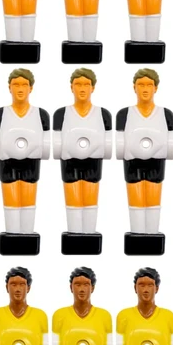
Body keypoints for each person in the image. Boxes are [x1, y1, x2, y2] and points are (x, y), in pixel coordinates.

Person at [0, 69, 51, 254]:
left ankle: (26, 234)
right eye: (16, 84)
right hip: (7, 165)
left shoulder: (41, 115)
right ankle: (12, 233)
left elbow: (46, 143)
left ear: (31, 88)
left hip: (31, 164)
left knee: (27, 199)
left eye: (24, 84)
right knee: (11, 200)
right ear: (9, 87)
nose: (20, 89)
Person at [53, 67, 113, 255]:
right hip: (69, 164)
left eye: (86, 84)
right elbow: (56, 142)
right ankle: (74, 233)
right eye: (78, 84)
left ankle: (88, 234)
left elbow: (108, 143)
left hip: (93, 164)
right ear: (71, 87)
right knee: (73, 200)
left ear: (93, 87)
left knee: (89, 199)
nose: (82, 88)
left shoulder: (103, 114)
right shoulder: (61, 114)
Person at [116, 68, 173, 254]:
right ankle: (137, 234)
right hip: (132, 164)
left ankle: (151, 234)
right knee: (136, 200)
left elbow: (171, 143)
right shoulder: (124, 114)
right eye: (141, 84)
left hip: (156, 164)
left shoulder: (166, 114)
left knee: (152, 200)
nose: (145, 88)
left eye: (149, 84)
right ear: (134, 87)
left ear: (156, 88)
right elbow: (119, 142)